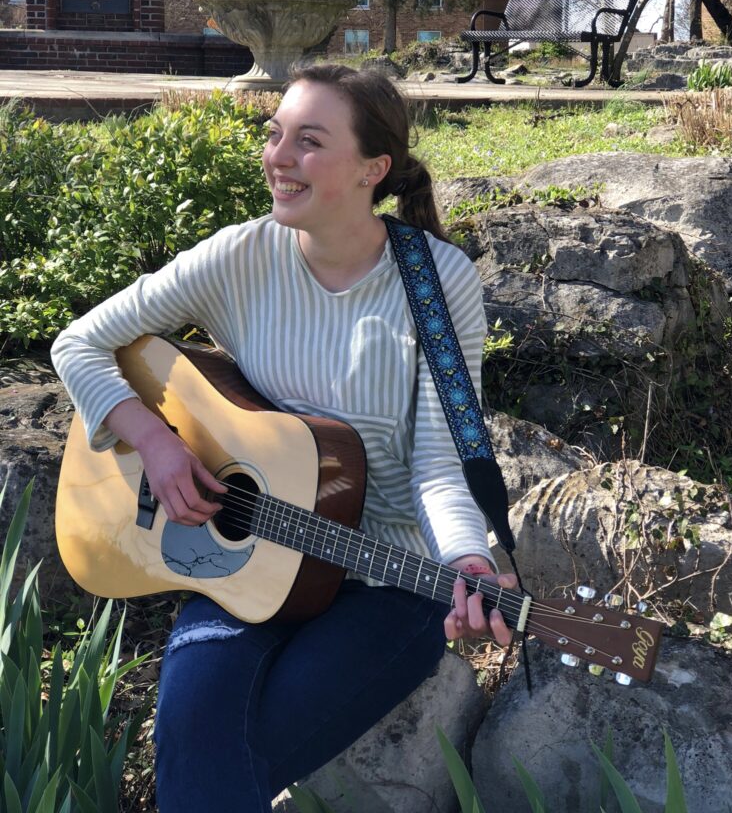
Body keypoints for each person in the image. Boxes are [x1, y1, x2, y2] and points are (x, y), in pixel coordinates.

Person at [51, 63, 516, 812]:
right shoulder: (240, 254)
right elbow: (79, 343)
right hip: (241, 560)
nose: (277, 155)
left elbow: (439, 454)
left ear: (373, 168)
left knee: (207, 770)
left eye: (308, 140)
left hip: (387, 577)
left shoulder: (436, 282)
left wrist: (467, 555)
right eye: (275, 135)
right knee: (196, 737)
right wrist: (156, 441)